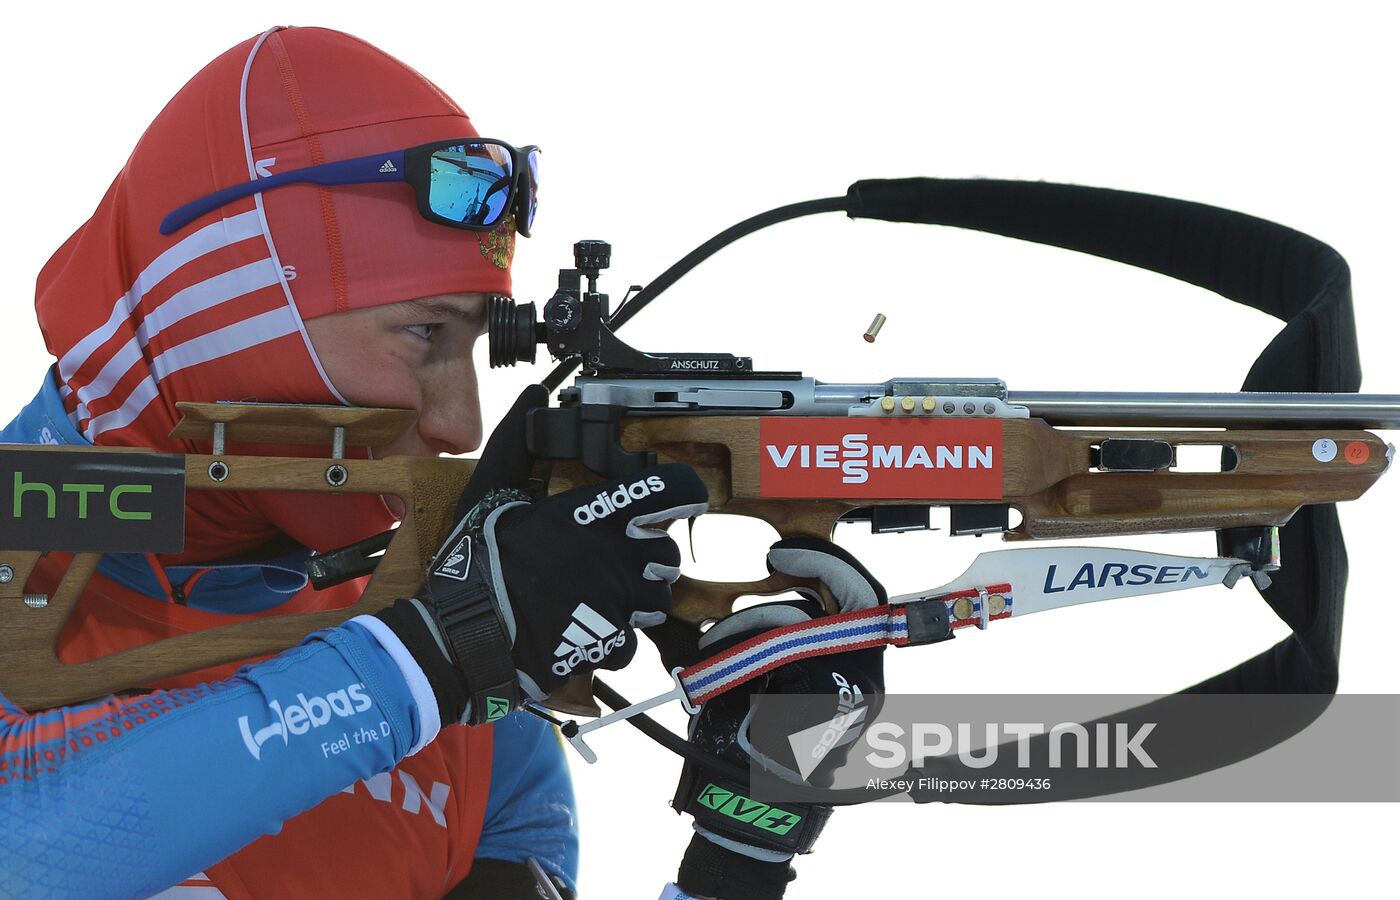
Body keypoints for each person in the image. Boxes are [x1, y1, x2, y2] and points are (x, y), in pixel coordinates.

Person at [0, 25, 883, 899]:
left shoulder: (472, 696)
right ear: (230, 321)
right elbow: (22, 848)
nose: (462, 424)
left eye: (477, 346)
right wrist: (420, 662)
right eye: (425, 334)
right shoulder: (439, 659)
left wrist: (742, 851)